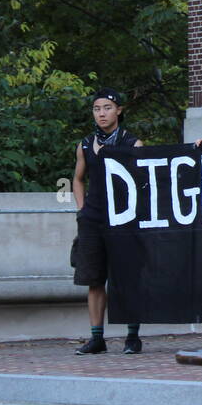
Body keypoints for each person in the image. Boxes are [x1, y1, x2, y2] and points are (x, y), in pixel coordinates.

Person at [71, 88, 144, 355]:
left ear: (119, 110)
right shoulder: (86, 144)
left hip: (124, 220)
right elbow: (78, 179)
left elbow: (144, 181)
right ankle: (96, 337)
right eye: (97, 109)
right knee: (94, 278)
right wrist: (82, 210)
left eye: (107, 108)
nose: (102, 113)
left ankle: (132, 336)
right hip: (93, 219)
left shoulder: (132, 144)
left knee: (127, 277)